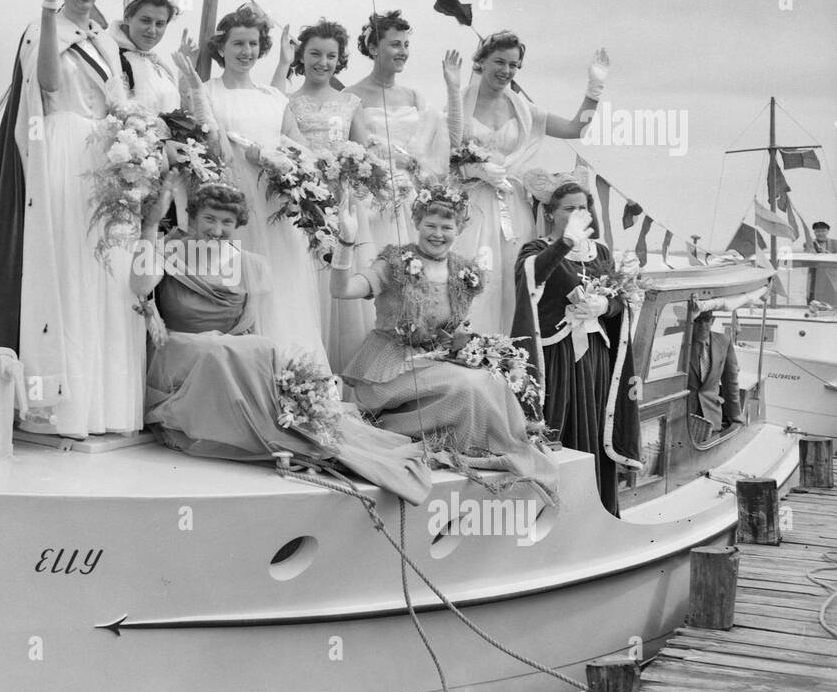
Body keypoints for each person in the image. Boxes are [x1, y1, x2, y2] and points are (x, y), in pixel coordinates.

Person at [131, 180, 430, 504]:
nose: (217, 230)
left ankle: (301, 437)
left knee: (263, 348)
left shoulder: (251, 265)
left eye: (227, 222)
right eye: (209, 219)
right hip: (180, 351)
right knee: (225, 350)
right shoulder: (170, 250)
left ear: (238, 225)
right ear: (192, 217)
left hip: (227, 357)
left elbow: (248, 328)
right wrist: (149, 226)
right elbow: (140, 284)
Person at [330, 181, 557, 496]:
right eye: (430, 225)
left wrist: (463, 342)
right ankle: (470, 451)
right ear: (417, 224)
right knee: (468, 385)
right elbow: (340, 291)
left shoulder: (463, 271)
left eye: (446, 226)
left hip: (435, 360)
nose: (437, 233)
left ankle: (498, 450)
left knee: (494, 380)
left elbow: (448, 329)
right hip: (390, 365)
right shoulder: (393, 263)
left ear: (459, 228)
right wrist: (346, 240)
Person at [15, 0, 146, 436]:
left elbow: (118, 99)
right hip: (66, 146)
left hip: (108, 154)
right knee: (71, 269)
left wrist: (135, 145)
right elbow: (47, 83)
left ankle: (108, 406)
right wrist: (49, 12)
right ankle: (66, 405)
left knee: (110, 273)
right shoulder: (40, 29)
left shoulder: (107, 41)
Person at [177, 6, 329, 367]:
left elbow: (299, 145)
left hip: (274, 199)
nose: (246, 51)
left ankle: (295, 369)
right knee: (240, 279)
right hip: (232, 200)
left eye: (253, 44)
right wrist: (186, 80)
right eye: (238, 43)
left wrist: (280, 159)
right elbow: (204, 142)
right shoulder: (208, 91)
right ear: (222, 47)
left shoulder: (274, 97)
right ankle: (247, 366)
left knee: (283, 279)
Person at [451, 31, 610, 336]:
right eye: (499, 61)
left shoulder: (526, 111)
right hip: (472, 207)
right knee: (472, 276)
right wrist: (474, 169)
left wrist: (595, 89)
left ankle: (513, 352)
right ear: (481, 61)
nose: (506, 71)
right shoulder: (459, 105)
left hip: (514, 207)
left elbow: (577, 128)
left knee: (515, 277)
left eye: (513, 65)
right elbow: (441, 156)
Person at [511, 181, 641, 516]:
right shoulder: (535, 249)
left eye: (582, 208)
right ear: (551, 213)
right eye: (568, 208)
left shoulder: (602, 253)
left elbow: (619, 301)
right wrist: (566, 241)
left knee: (594, 432)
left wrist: (604, 305)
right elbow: (532, 275)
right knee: (556, 428)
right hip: (555, 358)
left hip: (594, 357)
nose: (576, 214)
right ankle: (549, 513)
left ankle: (594, 512)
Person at [280, 19, 374, 374]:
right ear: (301, 56)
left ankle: (342, 373)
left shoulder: (351, 102)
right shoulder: (288, 101)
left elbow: (364, 152)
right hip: (302, 200)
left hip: (342, 202)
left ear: (340, 60)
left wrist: (351, 168)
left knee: (339, 276)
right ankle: (305, 367)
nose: (323, 62)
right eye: (315, 53)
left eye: (331, 55)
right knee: (303, 278)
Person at [346, 11, 463, 249]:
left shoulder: (414, 96)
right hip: (375, 198)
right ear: (374, 48)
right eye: (395, 44)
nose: (403, 52)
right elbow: (354, 153)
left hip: (415, 196)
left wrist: (453, 88)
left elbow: (452, 139)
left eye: (406, 45)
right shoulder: (351, 96)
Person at [113, 0, 182, 116]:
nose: (152, 30)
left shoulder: (160, 66)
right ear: (127, 18)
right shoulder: (112, 58)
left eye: (160, 24)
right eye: (145, 20)